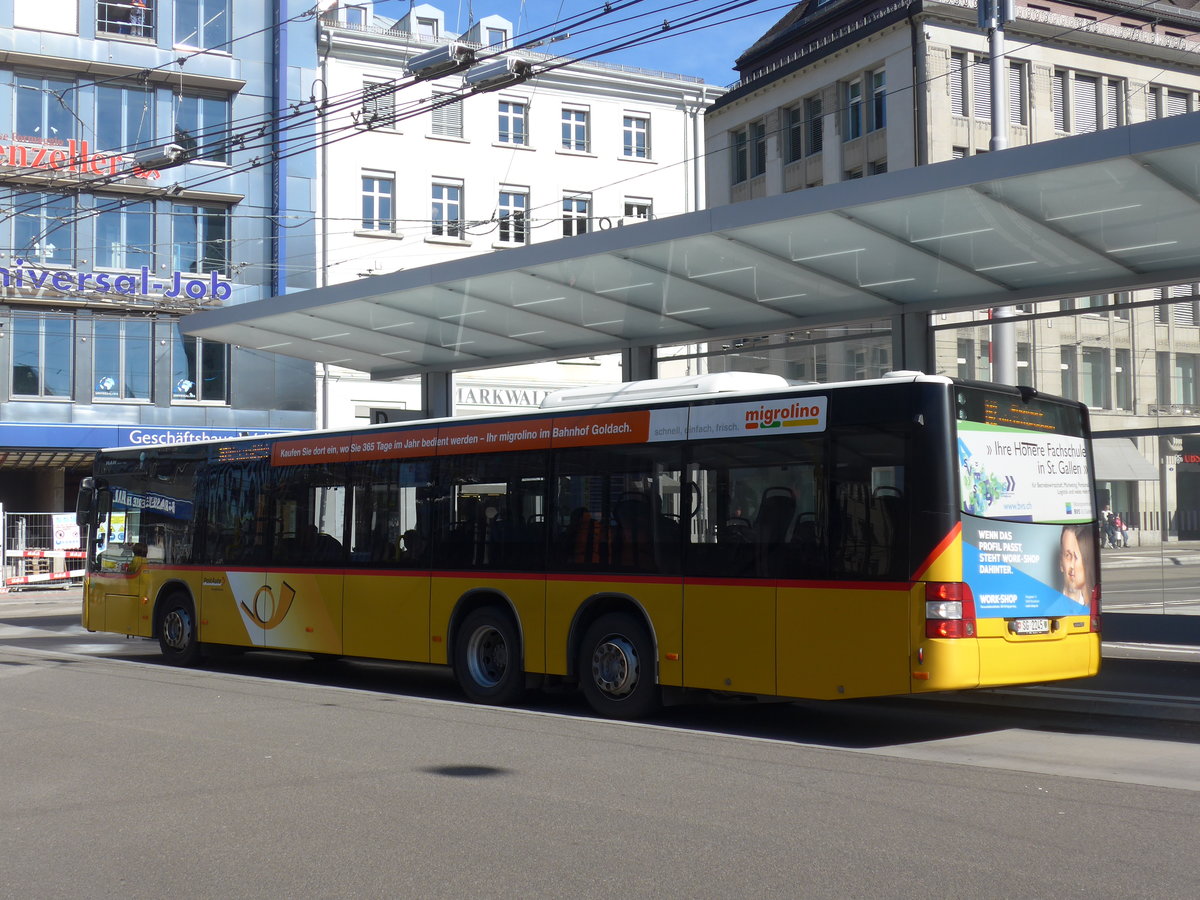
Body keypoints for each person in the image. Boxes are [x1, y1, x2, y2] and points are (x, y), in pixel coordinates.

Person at [1059, 524, 1095, 605]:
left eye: (1076, 557)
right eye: (1068, 555)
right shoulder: (1049, 611)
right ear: (1061, 562)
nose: (1072, 565)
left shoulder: (1094, 606)